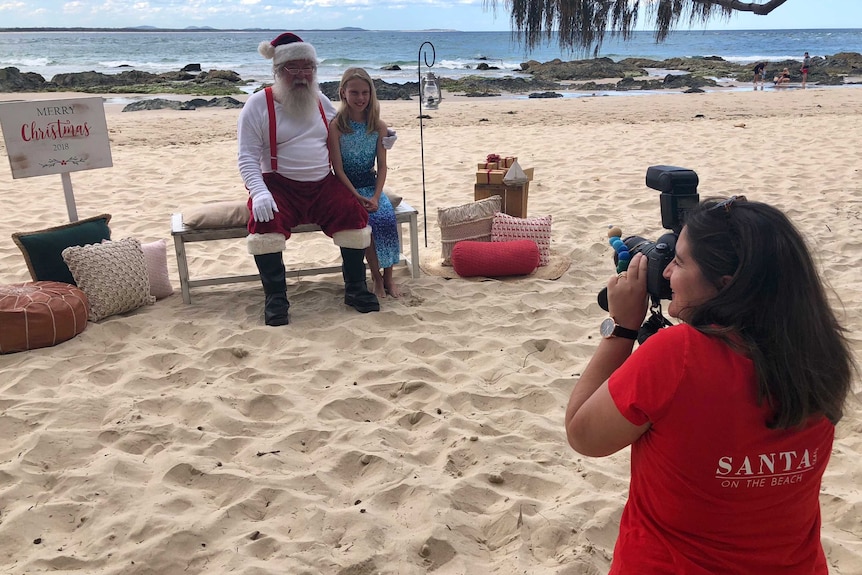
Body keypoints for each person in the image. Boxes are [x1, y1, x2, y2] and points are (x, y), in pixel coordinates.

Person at [565, 197, 855, 574]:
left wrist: (621, 329)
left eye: (680, 261)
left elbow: (583, 435)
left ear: (725, 284)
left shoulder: (677, 357)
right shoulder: (821, 354)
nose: (666, 271)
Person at [237, 32, 396, 326]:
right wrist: (258, 192)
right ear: (278, 70)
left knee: (352, 211)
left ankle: (355, 288)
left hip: (323, 184)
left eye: (308, 67)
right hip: (279, 184)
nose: (302, 75)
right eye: (293, 68)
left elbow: (351, 128)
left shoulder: (321, 101)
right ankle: (276, 297)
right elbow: (246, 157)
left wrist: (384, 137)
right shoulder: (257, 105)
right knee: (265, 223)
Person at [329, 68, 401, 299]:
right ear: (343, 93)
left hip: (371, 185)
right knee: (366, 223)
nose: (360, 98)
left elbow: (382, 166)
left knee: (386, 217)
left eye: (365, 93)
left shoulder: (378, 126)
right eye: (354, 93)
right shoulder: (337, 127)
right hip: (346, 187)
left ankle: (389, 277)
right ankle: (376, 279)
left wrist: (377, 195)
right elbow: (337, 169)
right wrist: (357, 196)